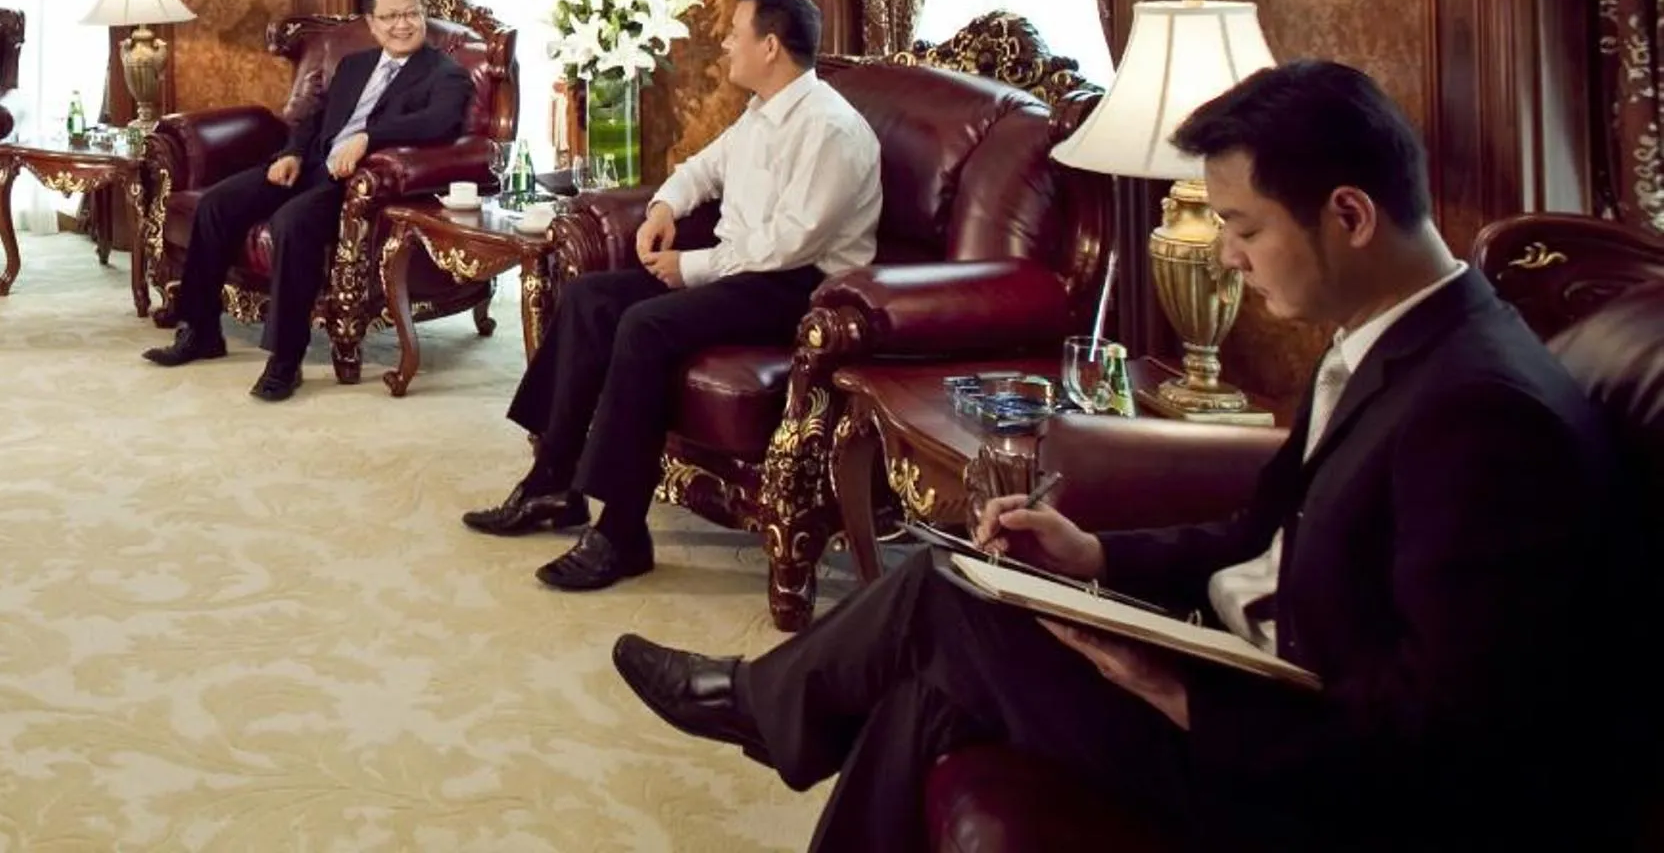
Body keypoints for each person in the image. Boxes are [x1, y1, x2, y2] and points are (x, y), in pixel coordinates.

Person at [608, 59, 1633, 853]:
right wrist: (1097, 563)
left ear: (1351, 215)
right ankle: (766, 704)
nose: (1226, 253)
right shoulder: (1394, 340)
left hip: (1295, 778)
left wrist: (1177, 689)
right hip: (1246, 674)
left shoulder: (1484, 415)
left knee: (945, 598)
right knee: (944, 660)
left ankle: (758, 703)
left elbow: (1449, 741)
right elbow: (1257, 533)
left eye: (1242, 226)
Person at [467, 0, 881, 590]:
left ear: (769, 46)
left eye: (734, 32)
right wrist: (664, 206)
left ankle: (622, 532)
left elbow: (791, 244)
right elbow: (703, 169)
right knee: (588, 298)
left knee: (645, 324)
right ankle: (552, 482)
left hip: (804, 289)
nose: (725, 43)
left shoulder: (832, 130)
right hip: (746, 269)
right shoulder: (763, 110)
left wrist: (693, 267)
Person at [142, 0, 474, 401]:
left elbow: (439, 123)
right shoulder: (355, 65)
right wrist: (292, 154)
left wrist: (370, 138)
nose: (402, 25)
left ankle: (285, 359)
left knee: (291, 223)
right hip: (311, 164)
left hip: (360, 182)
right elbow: (315, 119)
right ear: (372, 23)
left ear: (423, 15)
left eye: (411, 13)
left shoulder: (445, 73)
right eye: (390, 16)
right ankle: (201, 331)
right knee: (217, 203)